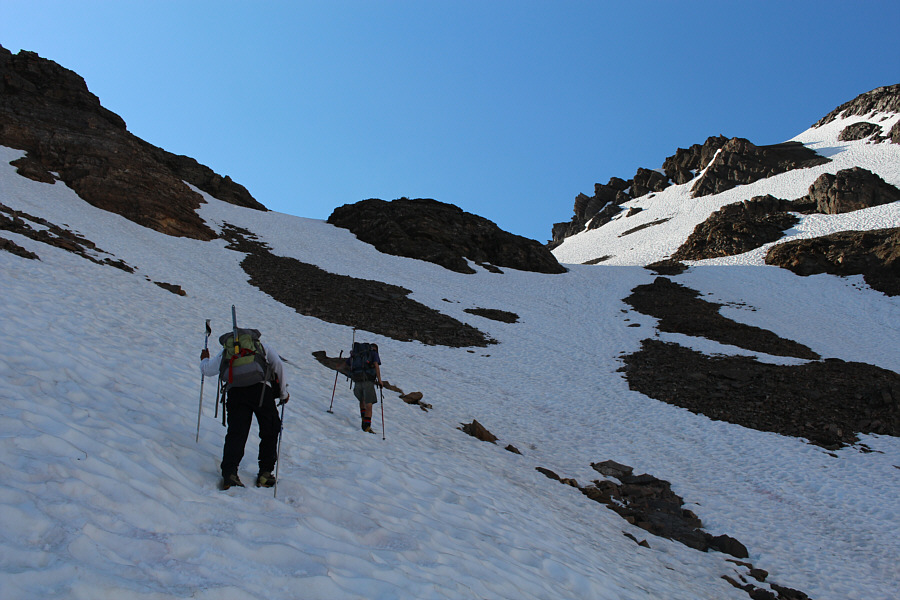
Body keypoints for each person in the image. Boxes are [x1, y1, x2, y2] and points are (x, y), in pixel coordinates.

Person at [200, 330, 289, 489]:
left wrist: (204, 358)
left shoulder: (226, 352)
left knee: (237, 432)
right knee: (270, 429)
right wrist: (283, 394)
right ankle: (265, 473)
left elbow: (207, 370)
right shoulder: (262, 347)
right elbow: (278, 365)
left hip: (236, 392)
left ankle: (230, 473)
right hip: (261, 391)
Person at [346, 342, 382, 433]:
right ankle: (366, 427)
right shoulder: (373, 353)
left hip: (357, 380)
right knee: (369, 404)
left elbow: (347, 363)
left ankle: (363, 419)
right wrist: (380, 380)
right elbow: (376, 366)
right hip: (368, 381)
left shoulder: (357, 354)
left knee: (362, 400)